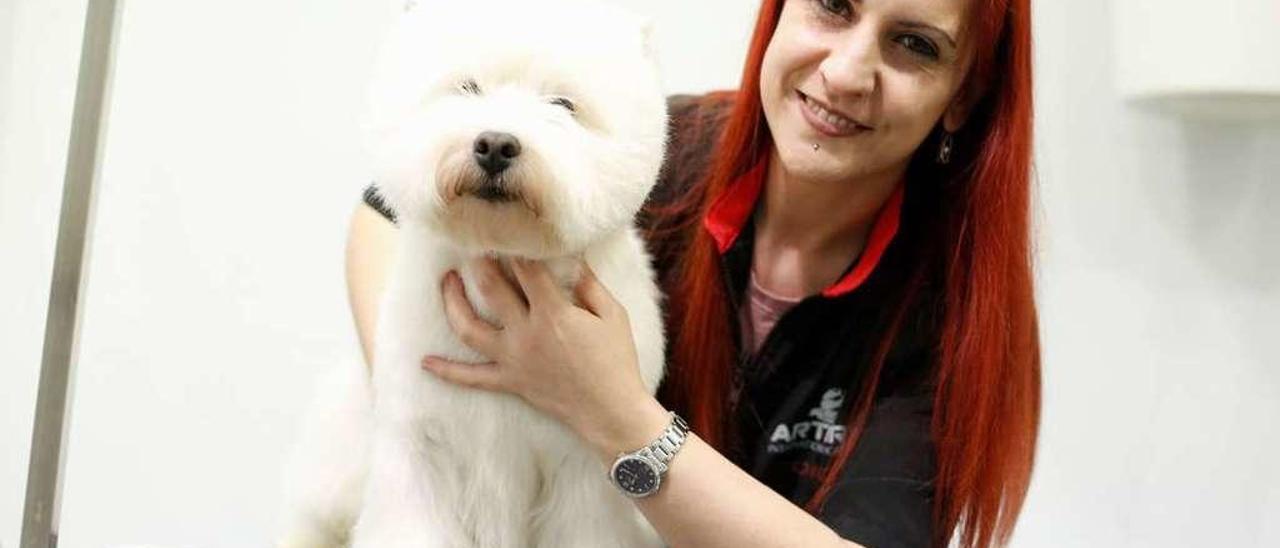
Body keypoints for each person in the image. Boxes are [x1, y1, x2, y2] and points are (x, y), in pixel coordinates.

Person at [345, 0, 1040, 546]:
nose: (848, 72)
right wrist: (417, 410)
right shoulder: (656, 159)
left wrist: (616, 414)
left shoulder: (951, 318)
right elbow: (382, 212)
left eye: (915, 44)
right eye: (833, 4)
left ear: (962, 94)